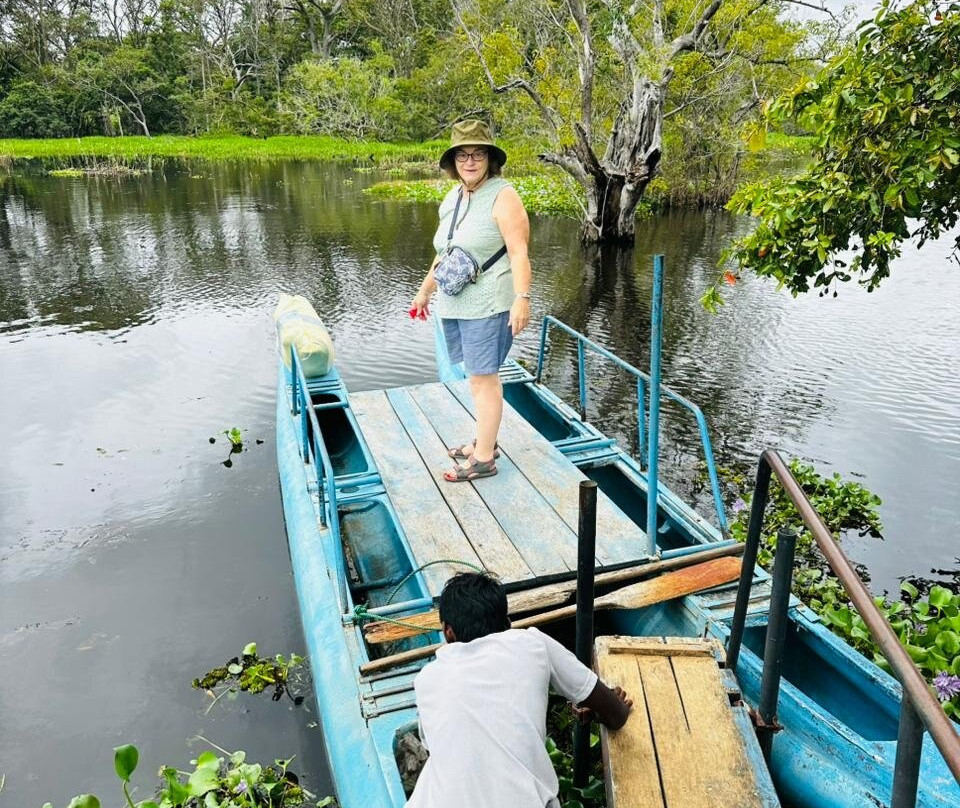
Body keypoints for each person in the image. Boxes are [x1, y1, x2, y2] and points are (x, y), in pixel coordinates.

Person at [405, 572, 633, 808]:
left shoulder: (426, 680)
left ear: (447, 632)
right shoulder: (532, 643)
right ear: (507, 624)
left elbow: (449, 747)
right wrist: (600, 711)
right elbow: (617, 715)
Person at [410, 120, 532, 482]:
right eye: (462, 155)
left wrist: (522, 298)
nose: (470, 161)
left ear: (490, 159)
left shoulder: (503, 195)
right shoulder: (454, 197)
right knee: (476, 377)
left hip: (489, 304)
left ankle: (483, 460)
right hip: (456, 303)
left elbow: (519, 252)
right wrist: (424, 291)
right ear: (453, 162)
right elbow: (445, 253)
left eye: (478, 154)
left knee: (483, 380)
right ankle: (485, 441)